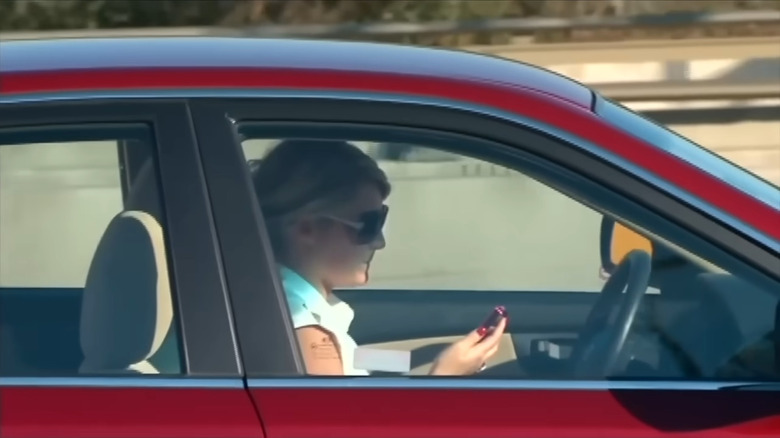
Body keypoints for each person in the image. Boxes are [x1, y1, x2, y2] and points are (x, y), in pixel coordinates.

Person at [251, 139, 507, 375]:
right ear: (307, 229)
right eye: (368, 225)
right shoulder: (305, 328)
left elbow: (350, 358)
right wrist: (442, 378)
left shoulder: (286, 303)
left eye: (380, 221)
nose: (379, 242)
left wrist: (425, 358)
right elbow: (336, 425)